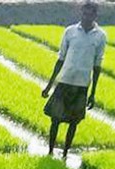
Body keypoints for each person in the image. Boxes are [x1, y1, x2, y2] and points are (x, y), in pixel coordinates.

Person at [41, 1, 106, 159]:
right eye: (84, 13)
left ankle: (65, 153)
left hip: (82, 85)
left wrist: (93, 93)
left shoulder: (100, 36)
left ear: (95, 16)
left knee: (73, 122)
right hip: (65, 81)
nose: (86, 17)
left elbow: (97, 65)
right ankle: (50, 151)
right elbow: (60, 59)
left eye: (90, 14)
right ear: (81, 13)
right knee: (55, 119)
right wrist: (49, 86)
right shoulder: (70, 32)